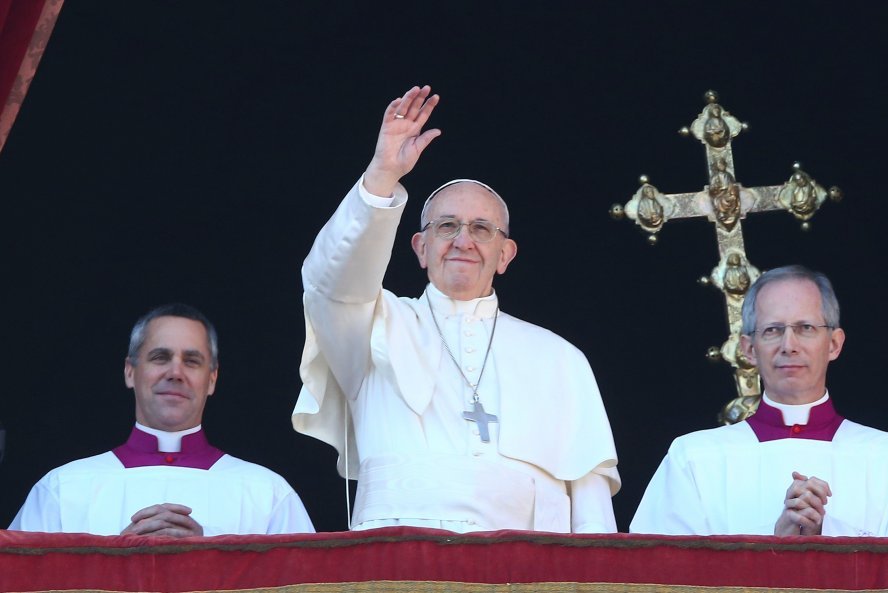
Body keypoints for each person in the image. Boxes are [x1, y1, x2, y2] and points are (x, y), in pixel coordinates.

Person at [292, 85, 620, 533]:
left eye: (482, 229)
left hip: (526, 575)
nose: (463, 240)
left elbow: (592, 512)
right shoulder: (371, 326)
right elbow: (329, 280)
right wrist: (383, 173)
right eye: (447, 226)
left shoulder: (561, 359)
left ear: (505, 254)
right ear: (421, 247)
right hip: (398, 567)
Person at [630, 265, 888, 537]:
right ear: (747, 348)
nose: (789, 345)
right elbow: (659, 575)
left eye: (806, 328)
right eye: (772, 330)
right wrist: (773, 548)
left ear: (834, 344)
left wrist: (824, 536)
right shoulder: (693, 460)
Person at [9, 304, 314, 537]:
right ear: (130, 371)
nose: (175, 372)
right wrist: (110, 564)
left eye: (192, 361)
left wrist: (211, 566)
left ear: (212, 379)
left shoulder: (267, 493)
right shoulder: (62, 489)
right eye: (160, 357)